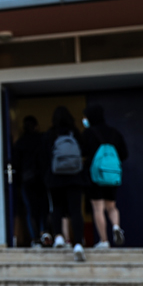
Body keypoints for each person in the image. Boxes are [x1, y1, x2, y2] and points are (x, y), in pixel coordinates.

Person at [43, 106, 87, 261]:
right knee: (75, 211)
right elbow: (84, 151)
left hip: (55, 178)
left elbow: (45, 155)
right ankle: (78, 244)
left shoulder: (51, 134)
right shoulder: (75, 133)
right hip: (74, 178)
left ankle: (59, 237)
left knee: (57, 208)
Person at [82, 104, 128, 248]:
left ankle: (104, 240)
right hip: (112, 175)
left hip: (95, 175)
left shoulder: (88, 133)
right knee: (112, 206)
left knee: (98, 208)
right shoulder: (114, 132)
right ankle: (115, 226)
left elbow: (82, 152)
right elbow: (124, 154)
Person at [13, 115, 51, 247]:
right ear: (36, 126)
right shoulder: (42, 139)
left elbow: (15, 164)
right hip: (42, 179)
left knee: (31, 210)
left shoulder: (21, 142)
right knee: (43, 209)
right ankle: (44, 233)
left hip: (27, 180)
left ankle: (35, 239)